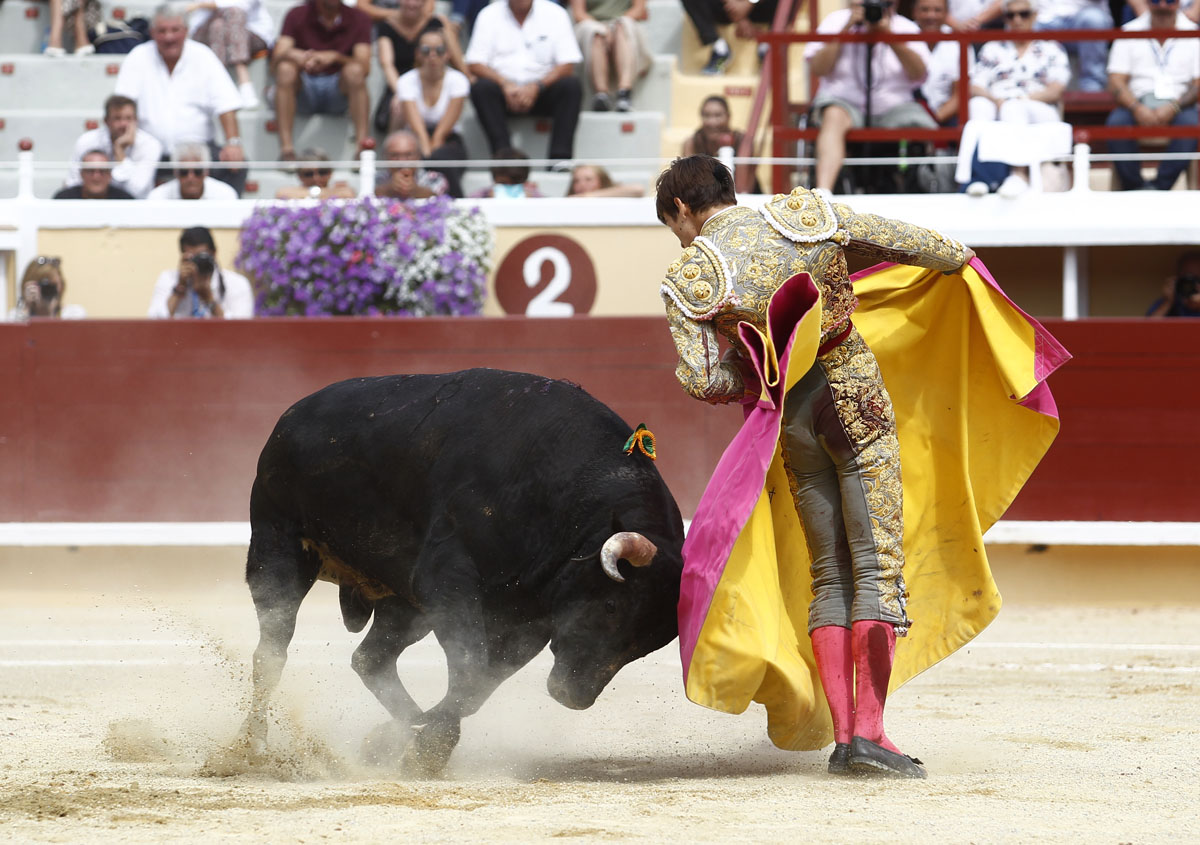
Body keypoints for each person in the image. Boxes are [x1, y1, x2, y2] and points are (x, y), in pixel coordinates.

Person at [654, 155, 1064, 780]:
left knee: (830, 574)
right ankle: (870, 734)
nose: (680, 239)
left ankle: (846, 738)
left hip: (793, 420)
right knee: (876, 564)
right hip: (855, 397)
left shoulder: (690, 277)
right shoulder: (804, 216)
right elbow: (930, 247)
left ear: (683, 209)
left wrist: (764, 368)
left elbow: (703, 380)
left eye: (673, 226)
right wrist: (952, 275)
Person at [114, 3, 247, 196]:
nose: (169, 37)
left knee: (236, 163)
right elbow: (122, 105)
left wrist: (233, 143)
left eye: (175, 30)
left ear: (186, 31)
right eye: (162, 31)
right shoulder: (137, 57)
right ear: (152, 32)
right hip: (148, 152)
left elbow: (226, 104)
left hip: (197, 153)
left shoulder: (203, 56)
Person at [805, 0, 936, 193]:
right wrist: (845, 31)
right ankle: (823, 192)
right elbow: (818, 68)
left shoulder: (905, 26)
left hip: (894, 106)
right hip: (844, 102)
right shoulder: (836, 21)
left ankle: (922, 188)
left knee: (923, 123)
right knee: (833, 116)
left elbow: (919, 73)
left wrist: (888, 36)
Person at [956, 0, 1071, 197]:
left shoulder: (1051, 47)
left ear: (1034, 15)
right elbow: (974, 85)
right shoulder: (993, 48)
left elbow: (1056, 89)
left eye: (1023, 14)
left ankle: (1018, 174)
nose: (1017, 20)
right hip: (999, 102)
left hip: (1039, 106)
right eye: (1011, 15)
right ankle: (978, 177)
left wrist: (1020, 99)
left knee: (1013, 108)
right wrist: (996, 100)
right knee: (978, 105)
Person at [465, 0, 584, 165]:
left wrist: (537, 86)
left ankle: (560, 160)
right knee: (481, 88)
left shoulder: (556, 13)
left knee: (571, 86)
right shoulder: (488, 15)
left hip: (543, 90)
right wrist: (505, 84)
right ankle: (504, 160)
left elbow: (568, 64)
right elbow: (475, 63)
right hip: (503, 92)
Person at [1104, 0, 1199, 191]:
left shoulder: (1193, 33)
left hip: (1179, 102)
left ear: (1178, 3)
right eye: (1156, 0)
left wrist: (1174, 107)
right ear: (1147, 3)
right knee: (1116, 124)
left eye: (1169, 1)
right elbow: (1115, 81)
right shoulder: (1130, 30)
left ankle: (1159, 188)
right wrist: (1136, 108)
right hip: (1137, 101)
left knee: (1191, 124)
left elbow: (1198, 84)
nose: (1162, 6)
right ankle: (1136, 188)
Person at [272, 0, 374, 161]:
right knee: (285, 69)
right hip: (304, 89)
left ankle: (362, 150)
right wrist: (294, 55)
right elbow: (275, 62)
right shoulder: (297, 15)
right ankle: (287, 150)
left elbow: (365, 67)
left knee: (355, 71)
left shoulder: (359, 18)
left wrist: (335, 57)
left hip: (338, 91)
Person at [394, 28, 470, 196]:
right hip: (415, 139)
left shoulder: (458, 80)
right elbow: (418, 131)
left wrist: (427, 159)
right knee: (406, 159)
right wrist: (424, 157)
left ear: (448, 54)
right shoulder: (406, 80)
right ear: (417, 54)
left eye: (439, 50)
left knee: (441, 160)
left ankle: (456, 203)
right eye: (426, 50)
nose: (433, 55)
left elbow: (440, 135)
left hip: (448, 140)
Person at [374, 0, 467, 135]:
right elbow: (387, 64)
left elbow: (453, 53)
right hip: (400, 84)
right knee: (399, 107)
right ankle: (398, 145)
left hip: (433, 83)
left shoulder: (436, 23)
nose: (412, 4)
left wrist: (468, 77)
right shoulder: (386, 26)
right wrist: (401, 92)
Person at [63, 95, 164, 200]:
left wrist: (119, 151)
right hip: (89, 201)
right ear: (106, 121)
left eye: (128, 118)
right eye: (117, 118)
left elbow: (135, 191)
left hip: (134, 205)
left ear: (136, 120)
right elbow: (73, 182)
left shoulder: (150, 145)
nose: (123, 124)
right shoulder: (87, 141)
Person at [148, 226, 255, 318]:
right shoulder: (169, 279)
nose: (197, 265)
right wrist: (179, 288)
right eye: (193, 259)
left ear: (214, 254)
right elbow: (154, 324)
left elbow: (240, 329)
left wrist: (209, 299)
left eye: (202, 257)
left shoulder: (237, 284)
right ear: (183, 257)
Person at [188, 0, 276, 108]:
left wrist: (204, 5)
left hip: (251, 34)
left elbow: (242, 5)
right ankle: (244, 80)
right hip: (205, 31)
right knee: (221, 22)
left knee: (224, 20)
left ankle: (219, 84)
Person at [569, 0, 652, 111]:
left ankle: (624, 92)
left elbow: (639, 9)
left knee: (623, 26)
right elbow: (578, 13)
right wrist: (603, 29)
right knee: (596, 33)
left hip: (622, 24)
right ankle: (601, 95)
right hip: (592, 25)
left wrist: (614, 26)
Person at [682, 0, 791, 74]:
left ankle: (767, 49)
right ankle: (719, 50)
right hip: (728, 7)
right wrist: (739, 18)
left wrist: (748, 3)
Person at [916, 0, 974, 126]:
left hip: (943, 117)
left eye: (937, 10)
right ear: (914, 12)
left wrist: (930, 123)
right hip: (908, 114)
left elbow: (960, 95)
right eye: (925, 10)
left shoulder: (958, 43)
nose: (931, 15)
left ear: (946, 14)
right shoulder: (903, 33)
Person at [1034, 0, 1112, 92]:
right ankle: (1032, 89)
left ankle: (1092, 89)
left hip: (1081, 20)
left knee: (1093, 19)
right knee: (1022, 21)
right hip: (1043, 20)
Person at [147, 142, 240, 199]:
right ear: (175, 172)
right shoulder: (158, 197)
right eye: (184, 172)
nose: (190, 178)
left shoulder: (225, 195)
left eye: (197, 171)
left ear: (206, 172)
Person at [375, 129, 446, 198]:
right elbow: (369, 195)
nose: (402, 161)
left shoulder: (434, 178)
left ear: (419, 155)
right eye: (395, 155)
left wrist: (416, 190)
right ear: (385, 156)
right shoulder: (375, 178)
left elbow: (440, 198)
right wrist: (388, 190)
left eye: (408, 155)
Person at [10, 257, 87, 319]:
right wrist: (26, 307)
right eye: (43, 285)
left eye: (53, 285)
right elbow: (15, 332)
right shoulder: (16, 315)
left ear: (61, 285)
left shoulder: (73, 314)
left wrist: (50, 312)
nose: (48, 289)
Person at [274, 147, 357, 198]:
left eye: (322, 172)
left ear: (330, 173)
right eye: (309, 174)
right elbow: (281, 194)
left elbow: (348, 193)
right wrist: (330, 192)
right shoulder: (335, 191)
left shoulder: (342, 190)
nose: (316, 178)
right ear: (299, 176)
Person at [53, 150, 135, 199]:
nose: (96, 177)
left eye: (102, 171)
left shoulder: (124, 201)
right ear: (81, 174)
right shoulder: (63, 200)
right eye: (90, 170)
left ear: (110, 174)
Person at [468, 146, 546, 197]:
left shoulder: (532, 193)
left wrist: (533, 201)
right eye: (503, 183)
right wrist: (487, 201)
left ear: (525, 181)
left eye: (515, 183)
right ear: (495, 180)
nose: (509, 187)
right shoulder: (484, 194)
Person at [1147, 252, 1200, 316]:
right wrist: (1168, 302)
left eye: (1197, 278)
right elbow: (1150, 322)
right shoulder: (1169, 301)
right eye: (1188, 277)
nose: (1192, 283)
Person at [565, 162, 644, 195]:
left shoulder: (612, 196)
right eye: (576, 181)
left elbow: (638, 189)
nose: (582, 184)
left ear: (602, 180)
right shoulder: (568, 202)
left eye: (588, 179)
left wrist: (590, 197)